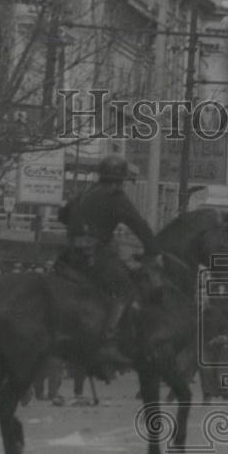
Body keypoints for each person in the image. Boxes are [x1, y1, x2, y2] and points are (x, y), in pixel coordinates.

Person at [57, 154, 158, 360]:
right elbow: (138, 225)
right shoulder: (116, 197)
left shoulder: (87, 191)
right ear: (120, 179)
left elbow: (62, 216)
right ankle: (109, 341)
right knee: (125, 290)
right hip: (93, 256)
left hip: (69, 255)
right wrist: (153, 250)